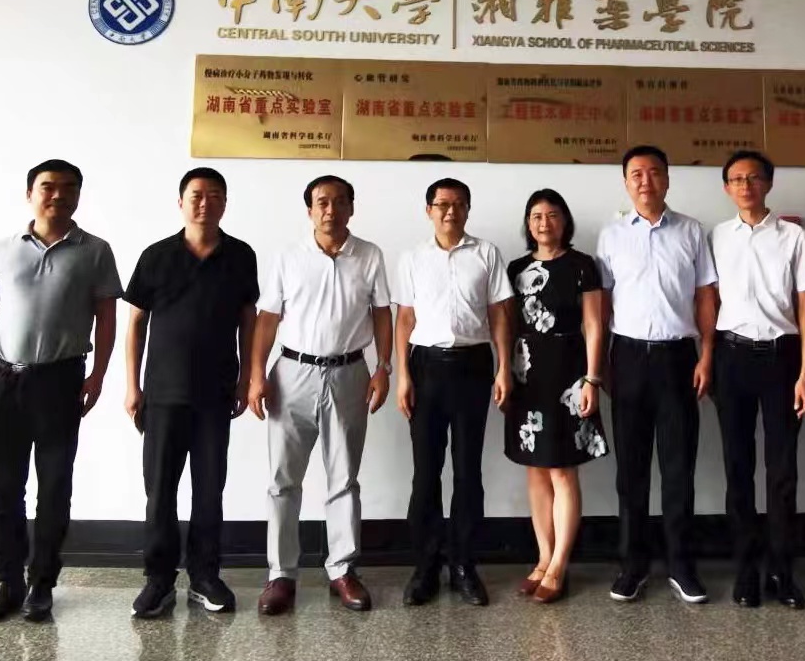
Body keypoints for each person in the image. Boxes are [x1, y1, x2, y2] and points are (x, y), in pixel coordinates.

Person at [0, 159, 123, 625]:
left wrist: (98, 376)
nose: (58, 195)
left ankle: (42, 583)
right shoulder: (3, 249)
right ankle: (6, 581)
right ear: (30, 194)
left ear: (78, 195)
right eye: (48, 187)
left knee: (54, 487)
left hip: (60, 381)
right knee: (4, 489)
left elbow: (106, 318)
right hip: (2, 380)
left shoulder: (95, 251)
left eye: (68, 188)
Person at [248, 175, 392, 616]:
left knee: (344, 477)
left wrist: (383, 367)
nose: (331, 210)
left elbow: (382, 314)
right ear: (310, 210)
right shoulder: (288, 257)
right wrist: (255, 374)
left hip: (350, 373)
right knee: (283, 479)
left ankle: (342, 570)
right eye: (322, 202)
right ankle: (280, 575)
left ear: (352, 207)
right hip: (292, 374)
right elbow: (267, 319)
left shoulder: (369, 255)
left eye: (339, 202)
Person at [123, 168, 259, 618]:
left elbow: (248, 319)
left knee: (209, 488)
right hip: (163, 394)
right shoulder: (157, 255)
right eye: (197, 195)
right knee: (160, 491)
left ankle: (205, 577)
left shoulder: (240, 255)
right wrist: (133, 385)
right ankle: (158, 580)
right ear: (180, 202)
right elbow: (136, 323)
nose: (205, 203)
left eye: (215, 195)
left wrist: (246, 378)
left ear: (225, 204)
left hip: (216, 393)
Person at [596, 144, 718, 604]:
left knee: (678, 466)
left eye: (654, 173)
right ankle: (633, 564)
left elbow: (705, 296)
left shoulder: (692, 231)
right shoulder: (611, 235)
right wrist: (601, 364)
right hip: (626, 357)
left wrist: (706, 355)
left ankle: (681, 564)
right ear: (626, 182)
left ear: (667, 179)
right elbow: (602, 304)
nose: (645, 181)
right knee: (631, 469)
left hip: (678, 358)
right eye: (636, 174)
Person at [709, 150, 805, 609]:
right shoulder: (716, 237)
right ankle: (745, 570)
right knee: (737, 468)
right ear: (726, 188)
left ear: (768, 183)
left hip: (782, 359)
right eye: (737, 179)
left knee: (782, 471)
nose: (746, 185)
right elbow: (707, 301)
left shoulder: (794, 237)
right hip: (731, 357)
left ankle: (781, 569)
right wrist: (706, 359)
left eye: (754, 177)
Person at [394, 178, 514, 607]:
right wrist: (403, 376)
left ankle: (464, 564)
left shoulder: (486, 253)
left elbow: (499, 314)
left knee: (467, 471)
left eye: (459, 204)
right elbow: (405, 319)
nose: (451, 211)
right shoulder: (412, 258)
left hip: (473, 365)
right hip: (425, 367)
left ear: (467, 210)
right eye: (442, 204)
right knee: (426, 472)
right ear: (428, 210)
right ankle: (426, 566)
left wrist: (503, 368)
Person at [505, 189, 608, 605]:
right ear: (528, 224)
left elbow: (595, 325)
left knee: (563, 470)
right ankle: (543, 557)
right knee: (535, 469)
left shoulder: (583, 266)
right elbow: (506, 325)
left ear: (564, 221)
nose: (543, 223)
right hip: (527, 374)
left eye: (551, 215)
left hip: (569, 374)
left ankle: (560, 564)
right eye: (536, 216)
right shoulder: (516, 268)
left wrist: (593, 379)